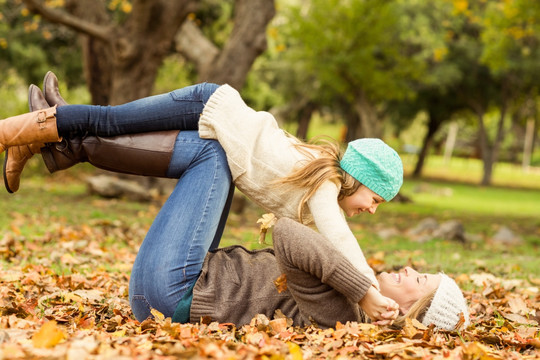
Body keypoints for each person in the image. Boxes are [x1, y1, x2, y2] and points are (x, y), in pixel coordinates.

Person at [0, 77, 470, 330]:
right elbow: (332, 239)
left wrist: (365, 291)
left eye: (420, 280)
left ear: (413, 313)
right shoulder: (324, 187)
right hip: (215, 110)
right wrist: (367, 286)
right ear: (357, 179)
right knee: (125, 123)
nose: (410, 269)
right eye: (374, 197)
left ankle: (57, 138)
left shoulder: (349, 310)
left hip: (172, 294)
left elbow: (322, 239)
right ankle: (47, 136)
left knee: (202, 150)